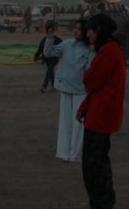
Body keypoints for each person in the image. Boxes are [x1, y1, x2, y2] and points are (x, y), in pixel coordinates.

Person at [77, 12, 126, 209]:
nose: (87, 34)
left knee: (93, 165)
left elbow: (90, 81)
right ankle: (103, 201)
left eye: (89, 30)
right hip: (103, 113)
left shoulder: (108, 51)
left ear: (98, 30)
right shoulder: (113, 49)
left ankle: (101, 202)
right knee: (99, 162)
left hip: (101, 116)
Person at [53, 19, 93, 162]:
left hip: (80, 89)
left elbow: (90, 70)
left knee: (78, 123)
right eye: (75, 28)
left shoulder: (89, 50)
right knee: (65, 122)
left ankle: (75, 154)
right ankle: (64, 152)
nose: (76, 31)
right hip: (65, 87)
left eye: (79, 29)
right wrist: (50, 38)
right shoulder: (66, 44)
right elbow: (49, 52)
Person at [36, 21, 61, 92]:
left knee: (49, 71)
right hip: (46, 59)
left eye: (52, 31)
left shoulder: (57, 40)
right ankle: (54, 87)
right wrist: (36, 56)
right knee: (50, 72)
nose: (51, 33)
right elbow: (40, 49)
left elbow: (63, 47)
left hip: (54, 59)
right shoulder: (44, 39)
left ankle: (44, 87)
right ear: (47, 32)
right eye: (49, 32)